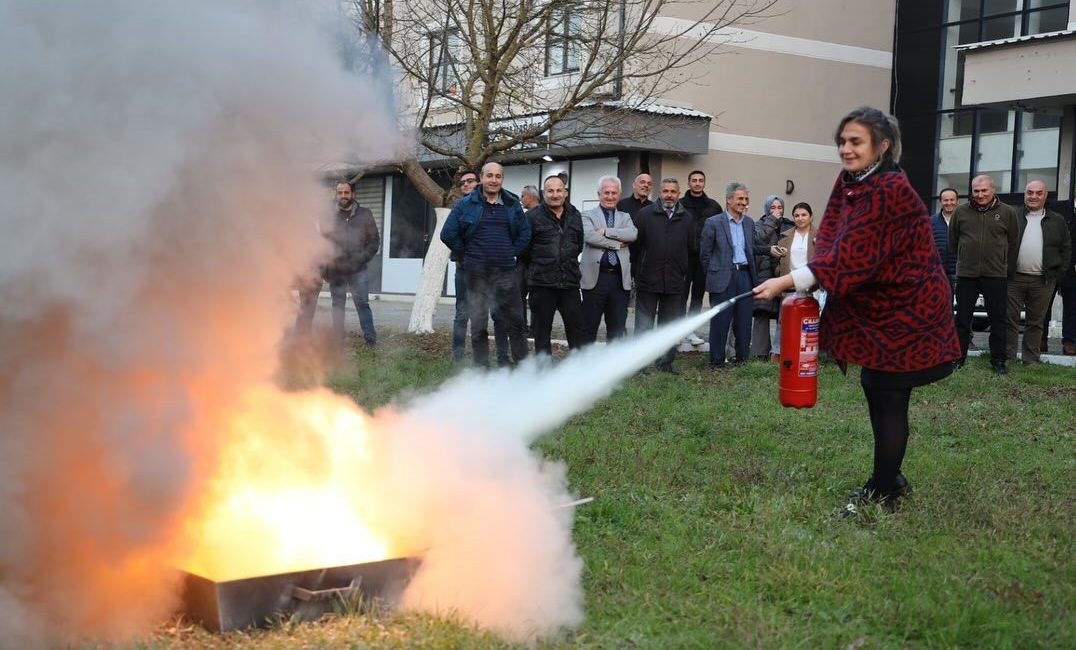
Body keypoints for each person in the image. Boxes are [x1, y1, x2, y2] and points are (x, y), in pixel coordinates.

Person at [754, 107, 960, 512]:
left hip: (910, 313)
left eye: (856, 142)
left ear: (882, 146)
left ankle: (884, 490)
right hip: (880, 311)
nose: (846, 150)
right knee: (876, 388)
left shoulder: (891, 192)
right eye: (843, 141)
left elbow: (852, 258)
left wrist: (788, 281)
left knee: (888, 394)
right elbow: (831, 232)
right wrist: (811, 272)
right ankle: (890, 478)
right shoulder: (851, 181)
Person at [441, 162, 531, 368]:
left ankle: (521, 367)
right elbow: (447, 233)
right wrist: (467, 254)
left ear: (502, 180)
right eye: (489, 175)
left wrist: (512, 252)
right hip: (476, 273)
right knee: (479, 324)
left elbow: (525, 234)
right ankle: (482, 367)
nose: (493, 180)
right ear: (481, 178)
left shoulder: (512, 204)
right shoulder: (466, 204)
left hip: (506, 272)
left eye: (498, 176)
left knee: (516, 321)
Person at [950, 174, 1019, 374]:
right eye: (976, 191)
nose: (980, 195)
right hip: (967, 276)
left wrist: (1002, 263)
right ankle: (957, 359)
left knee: (998, 320)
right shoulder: (960, 212)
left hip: (995, 275)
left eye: (984, 190)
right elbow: (953, 241)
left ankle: (998, 361)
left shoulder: (1008, 212)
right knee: (962, 320)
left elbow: (1013, 241)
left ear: (993, 189)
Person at [1005, 180, 1071, 365]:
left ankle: (1031, 360)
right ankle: (1008, 358)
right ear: (1024, 194)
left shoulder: (1057, 220)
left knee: (1036, 322)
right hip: (1013, 278)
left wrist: (1058, 274)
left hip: (1043, 280)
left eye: (1038, 193)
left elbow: (1066, 249)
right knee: (1009, 319)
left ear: (1045, 196)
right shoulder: (1012, 215)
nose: (1033, 196)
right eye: (1030, 192)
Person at [633, 177, 694, 373]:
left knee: (669, 326)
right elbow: (636, 246)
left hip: (675, 281)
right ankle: (640, 364)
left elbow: (691, 248)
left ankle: (665, 363)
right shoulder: (645, 214)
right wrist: (638, 272)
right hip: (648, 279)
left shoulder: (687, 218)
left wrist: (683, 271)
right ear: (659, 193)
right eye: (665, 191)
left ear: (678, 194)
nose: (669, 195)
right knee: (644, 325)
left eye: (673, 191)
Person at [524, 175, 586, 354]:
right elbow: (524, 250)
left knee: (576, 329)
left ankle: (579, 366)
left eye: (559, 190)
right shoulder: (532, 217)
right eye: (550, 191)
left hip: (570, 282)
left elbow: (578, 244)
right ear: (544, 194)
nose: (555, 194)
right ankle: (543, 370)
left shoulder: (575, 215)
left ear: (565, 193)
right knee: (542, 331)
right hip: (542, 284)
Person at [701, 182, 757, 368]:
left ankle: (742, 360)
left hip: (745, 276)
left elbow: (751, 249)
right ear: (728, 200)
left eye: (746, 199)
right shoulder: (713, 222)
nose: (743, 202)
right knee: (720, 321)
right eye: (740, 198)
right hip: (723, 277)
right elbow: (705, 255)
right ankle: (717, 361)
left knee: (744, 322)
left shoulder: (749, 223)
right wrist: (715, 273)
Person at [320, 181, 380, 347]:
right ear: (336, 194)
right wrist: (324, 269)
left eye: (346, 193)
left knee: (362, 304)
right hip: (336, 269)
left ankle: (370, 341)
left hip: (358, 269)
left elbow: (374, 241)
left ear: (353, 194)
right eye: (340, 193)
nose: (343, 196)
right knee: (337, 306)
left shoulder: (365, 214)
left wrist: (361, 258)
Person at [580, 176, 637, 342]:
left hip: (619, 281)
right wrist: (618, 244)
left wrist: (606, 232)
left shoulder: (625, 217)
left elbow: (632, 234)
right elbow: (590, 237)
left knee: (617, 329)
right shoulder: (586, 215)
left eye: (614, 193)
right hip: (595, 280)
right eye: (606, 193)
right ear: (599, 194)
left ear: (619, 194)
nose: (610, 196)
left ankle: (613, 366)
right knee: (588, 327)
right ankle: (585, 365)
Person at [679, 170, 724, 344]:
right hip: (683, 258)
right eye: (694, 180)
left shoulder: (713, 206)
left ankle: (691, 331)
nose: (697, 183)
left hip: (704, 260)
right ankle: (678, 331)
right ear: (689, 183)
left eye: (700, 180)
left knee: (697, 297)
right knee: (680, 296)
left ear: (704, 183)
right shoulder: (680, 205)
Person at [772, 202, 818, 356]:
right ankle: (778, 352)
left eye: (804, 215)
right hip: (789, 282)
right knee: (784, 319)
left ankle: (807, 353)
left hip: (811, 284)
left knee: (808, 321)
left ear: (811, 217)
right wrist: (779, 272)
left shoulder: (820, 236)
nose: (800, 218)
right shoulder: (786, 235)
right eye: (796, 215)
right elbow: (776, 260)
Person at [750, 194, 793, 360]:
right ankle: (760, 353)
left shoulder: (789, 225)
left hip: (783, 274)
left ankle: (781, 351)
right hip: (764, 275)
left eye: (780, 207)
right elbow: (757, 240)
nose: (777, 211)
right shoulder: (758, 225)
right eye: (773, 208)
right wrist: (772, 221)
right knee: (762, 313)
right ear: (767, 209)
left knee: (784, 314)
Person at [931, 187, 959, 299]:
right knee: (943, 307)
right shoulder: (931, 222)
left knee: (964, 309)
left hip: (960, 274)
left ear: (957, 201)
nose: (949, 203)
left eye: (952, 200)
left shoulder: (965, 221)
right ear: (940, 202)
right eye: (945, 200)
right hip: (939, 274)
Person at [1058, 197, 1076, 355]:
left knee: (1072, 307)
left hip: (1073, 269)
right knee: (1042, 306)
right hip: (1051, 265)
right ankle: (1040, 340)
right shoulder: (1059, 207)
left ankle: (1069, 341)